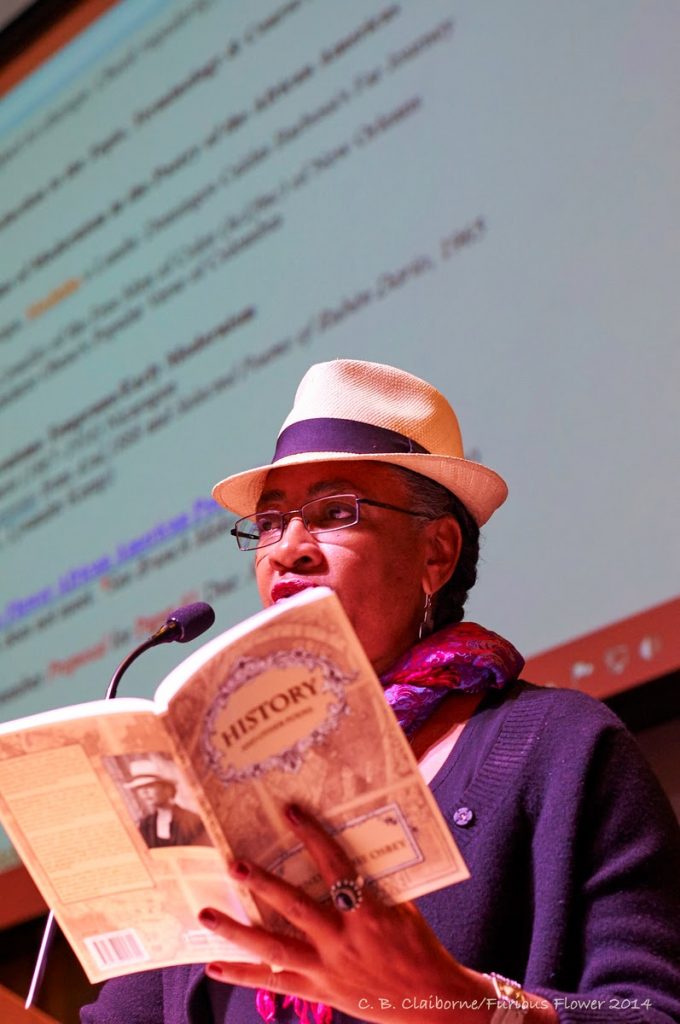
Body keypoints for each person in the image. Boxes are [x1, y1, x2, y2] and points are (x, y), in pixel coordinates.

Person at [82, 359, 680, 1024]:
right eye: (271, 522)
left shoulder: (562, 747)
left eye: (335, 512)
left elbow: (653, 1014)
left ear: (437, 554)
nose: (288, 549)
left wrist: (464, 1006)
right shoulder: (222, 807)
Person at [125, 771, 211, 849]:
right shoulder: (145, 824)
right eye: (139, 788)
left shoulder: (191, 819)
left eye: (149, 786)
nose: (144, 792)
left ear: (167, 790)